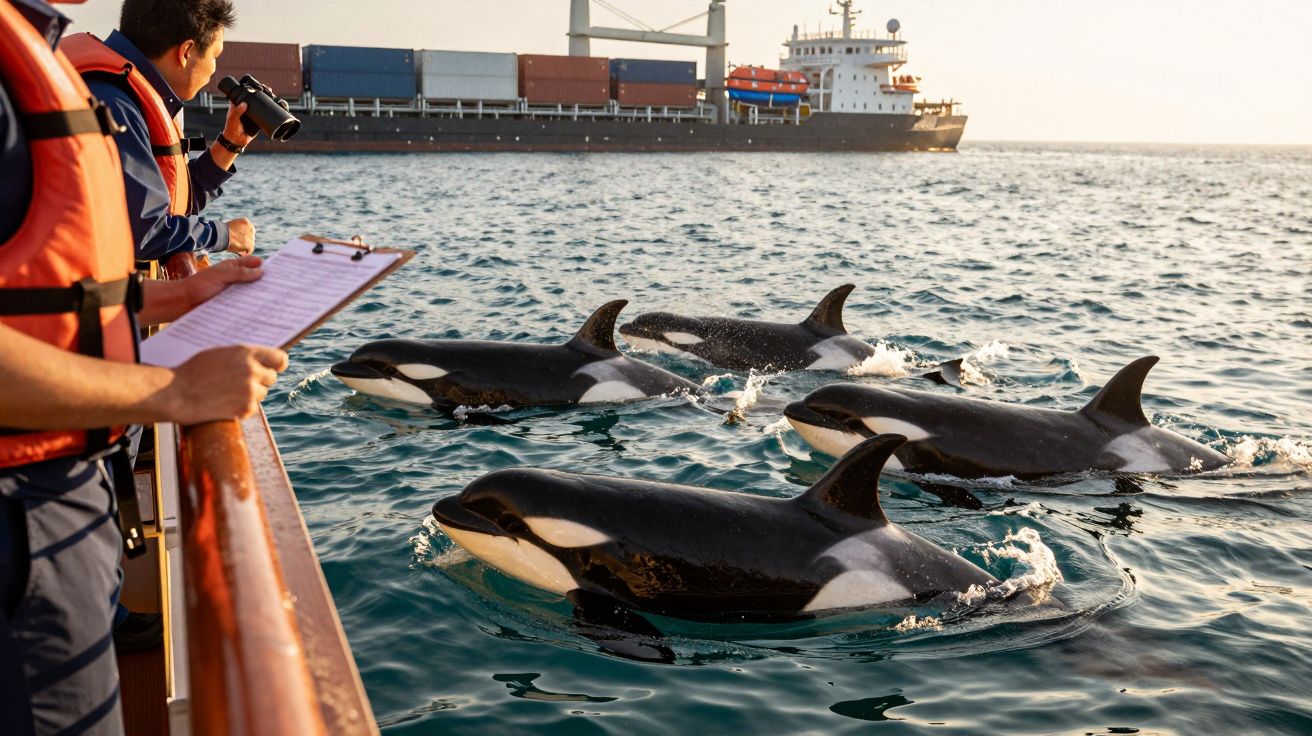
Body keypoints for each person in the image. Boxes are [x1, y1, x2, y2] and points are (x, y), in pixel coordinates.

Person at [0, 1, 286, 733]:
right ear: (190, 48)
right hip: (22, 507)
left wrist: (180, 290)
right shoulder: (84, 85)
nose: (219, 68)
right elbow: (145, 225)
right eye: (216, 52)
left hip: (60, 471)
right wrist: (176, 388)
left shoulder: (44, 57)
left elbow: (62, 280)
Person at [63, 0, 258, 265]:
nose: (214, 70)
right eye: (215, 55)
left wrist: (230, 144)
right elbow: (145, 233)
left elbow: (167, 202)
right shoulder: (114, 106)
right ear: (186, 51)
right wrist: (224, 235)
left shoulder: (113, 90)